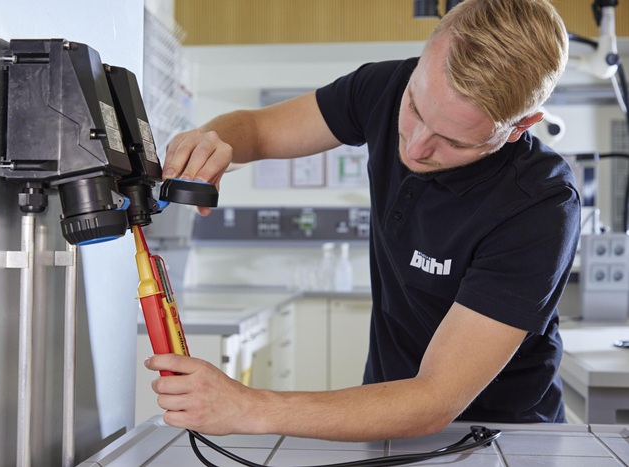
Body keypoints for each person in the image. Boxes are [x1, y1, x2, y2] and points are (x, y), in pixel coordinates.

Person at [145, 0, 580, 441]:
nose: (415, 148)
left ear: (520, 126)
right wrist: (212, 143)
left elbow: (432, 399)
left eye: (454, 141)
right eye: (415, 109)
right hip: (384, 412)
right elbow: (257, 132)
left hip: (505, 434)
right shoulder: (387, 87)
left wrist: (246, 407)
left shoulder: (540, 207)